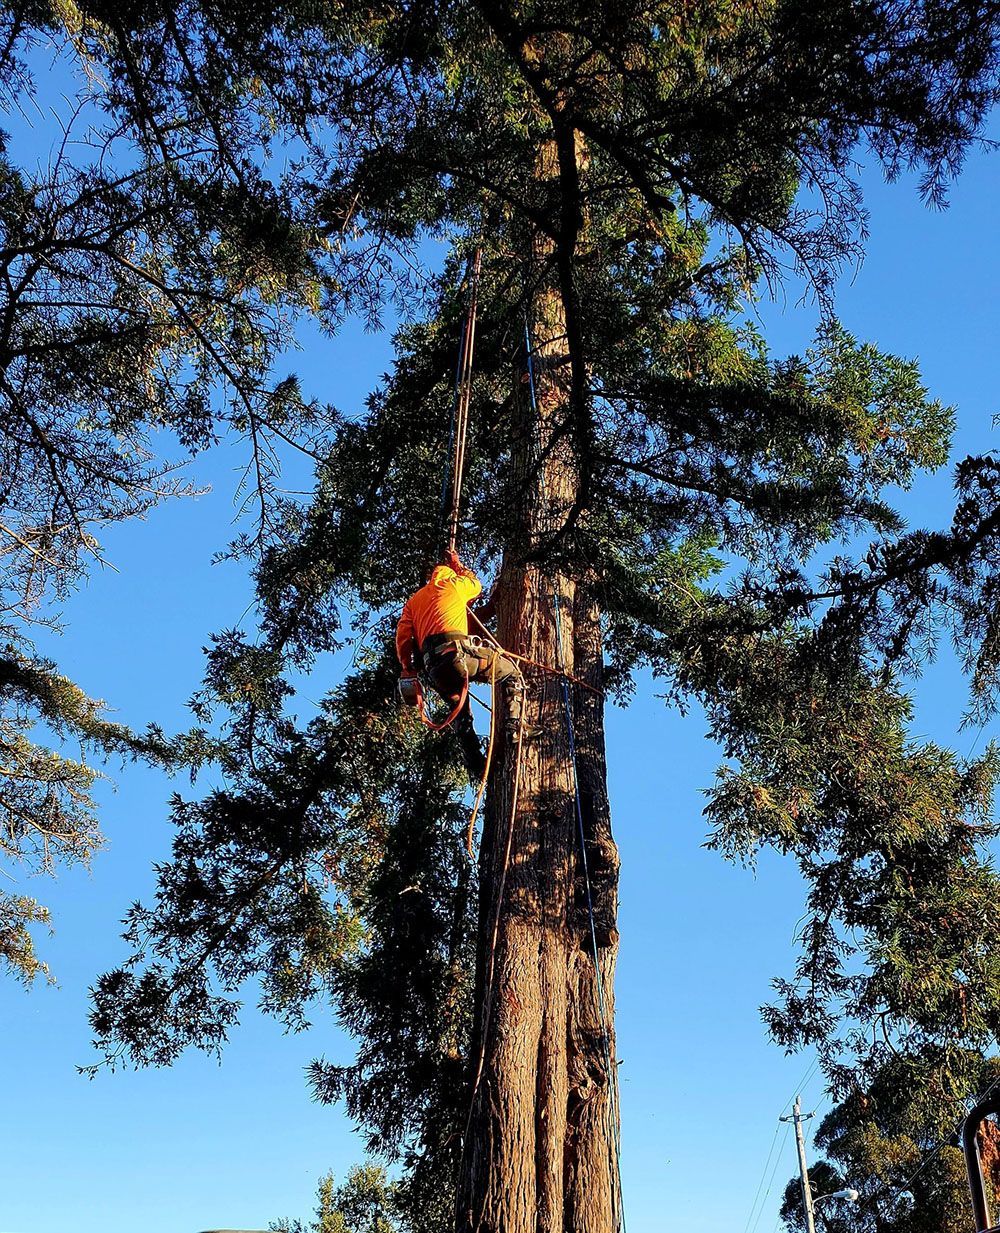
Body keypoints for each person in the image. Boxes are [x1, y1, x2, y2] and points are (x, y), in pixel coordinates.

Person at [395, 548, 529, 778]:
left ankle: (475, 764)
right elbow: (475, 584)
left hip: (436, 670)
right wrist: (458, 565)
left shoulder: (414, 601)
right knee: (512, 673)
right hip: (458, 657)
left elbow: (403, 637)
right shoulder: (453, 585)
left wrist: (407, 667)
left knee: (459, 709)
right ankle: (515, 727)